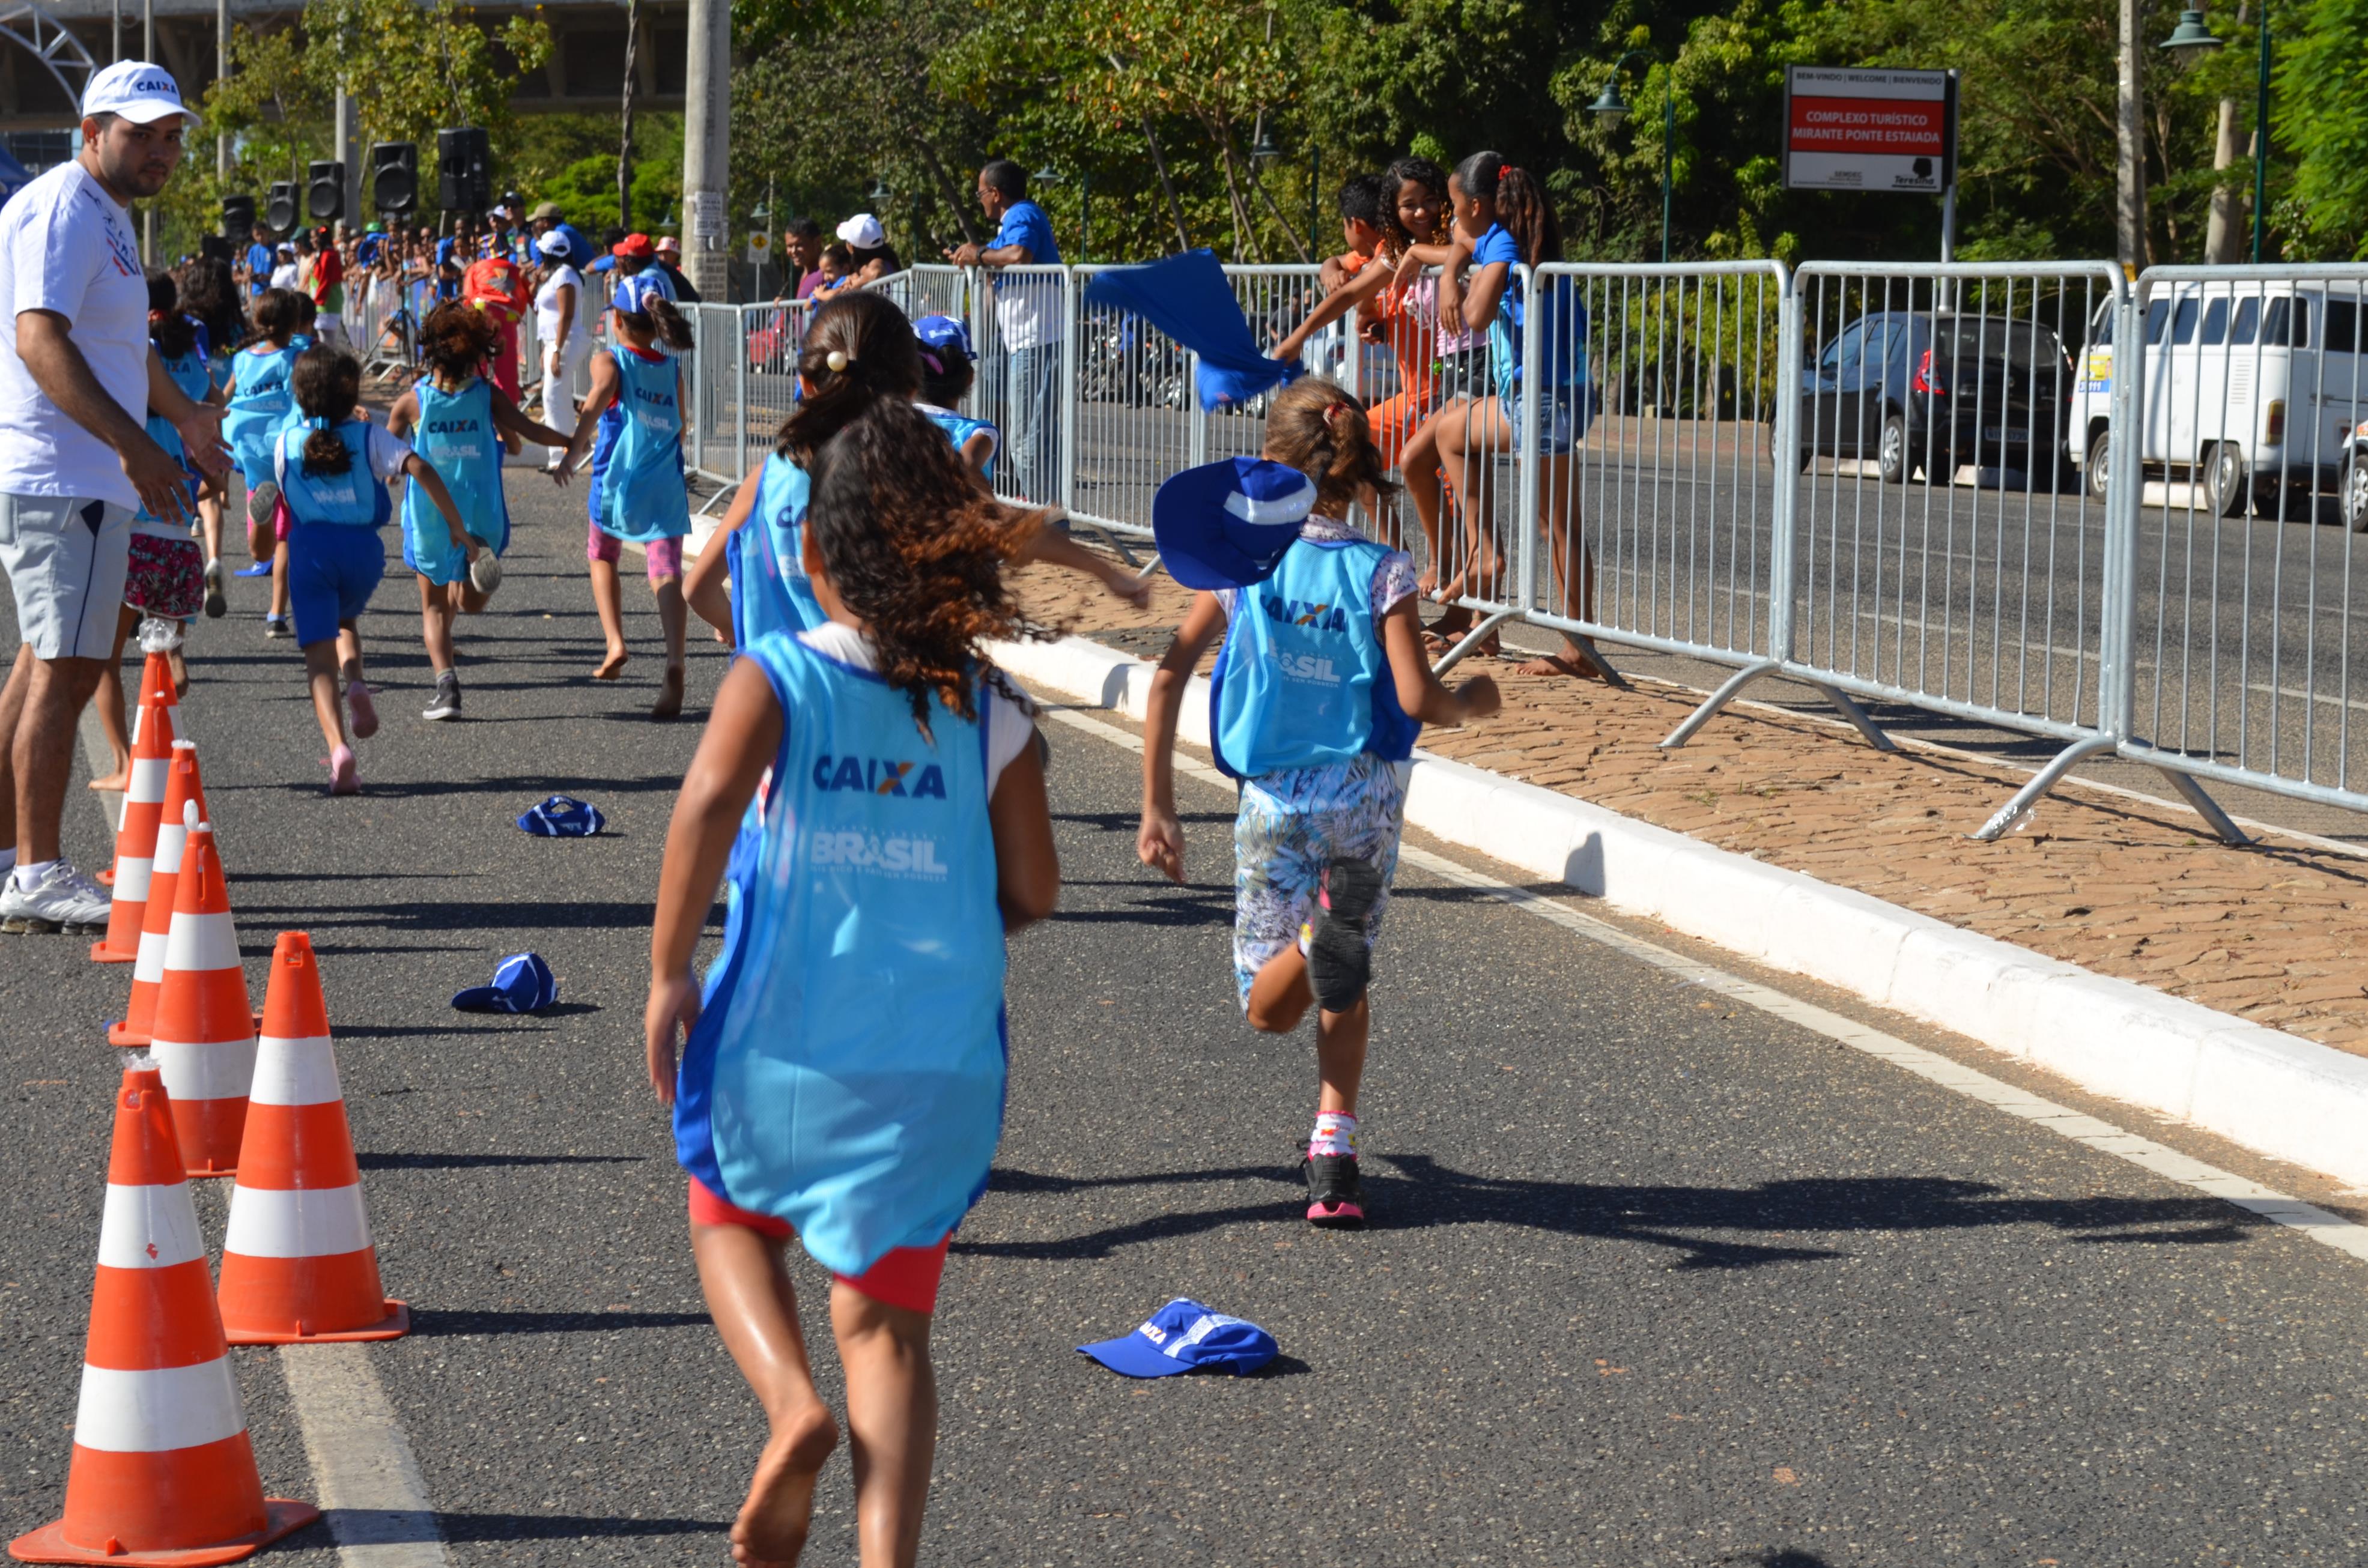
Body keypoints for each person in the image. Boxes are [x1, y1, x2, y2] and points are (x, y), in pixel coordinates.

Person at [644, 350, 1057, 1568]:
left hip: (784, 1030)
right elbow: (1032, 886)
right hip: (936, 1059)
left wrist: (671, 973)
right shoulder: (991, 706)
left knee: (726, 1212)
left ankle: (790, 1408)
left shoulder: (779, 674)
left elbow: (707, 807)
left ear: (813, 555)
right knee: (888, 1326)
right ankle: (887, 1558)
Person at [1136, 377, 1500, 1226]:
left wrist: (1158, 802)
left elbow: (1166, 674)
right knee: (1338, 973)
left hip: (1274, 803)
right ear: (1358, 468)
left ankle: (1332, 1141)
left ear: (1268, 461)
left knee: (1267, 1006)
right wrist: (1471, 702)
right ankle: (1332, 1143)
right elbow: (1416, 699)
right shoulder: (1384, 571)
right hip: (1365, 806)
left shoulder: (1240, 565)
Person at [0, 59, 226, 933]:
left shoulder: (105, 214)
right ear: (93, 131)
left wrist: (186, 418)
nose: (162, 151)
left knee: (40, 665)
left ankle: (14, 855)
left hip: (68, 474)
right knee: (67, 669)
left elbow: (121, 347)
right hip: (69, 474)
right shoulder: (66, 206)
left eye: (171, 136)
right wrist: (136, 448)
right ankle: (38, 870)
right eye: (142, 134)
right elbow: (39, 340)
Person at [277, 345, 474, 793]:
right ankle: (359, 684)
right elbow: (418, 465)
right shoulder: (369, 437)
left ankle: (339, 749)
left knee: (317, 654)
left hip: (310, 550)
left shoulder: (287, 440)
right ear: (352, 397)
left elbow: (280, 498)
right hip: (363, 554)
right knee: (345, 620)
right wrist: (455, 526)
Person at [1428, 151, 1592, 680]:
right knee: (1451, 432)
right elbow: (1461, 245)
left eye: (1455, 208)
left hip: (1546, 397)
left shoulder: (1502, 241)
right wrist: (1453, 267)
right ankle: (1487, 554)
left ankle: (1579, 648)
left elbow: (1475, 316)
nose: (1452, 220)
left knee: (1555, 524)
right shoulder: (1504, 233)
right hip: (1542, 394)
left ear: (1478, 205)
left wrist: (1461, 286)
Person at [384, 303, 574, 721]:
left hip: (432, 515)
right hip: (481, 511)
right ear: (477, 352)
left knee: (435, 607)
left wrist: (389, 478)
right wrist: (572, 442)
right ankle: (474, 569)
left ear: (430, 351)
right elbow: (529, 430)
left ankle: (447, 686)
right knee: (470, 603)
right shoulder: (487, 395)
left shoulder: (411, 402)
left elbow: (384, 455)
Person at [88, 270, 214, 790]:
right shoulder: (186, 371)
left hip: (131, 535)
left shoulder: (129, 376)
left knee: (103, 661)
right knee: (163, 652)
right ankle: (169, 672)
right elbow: (210, 405)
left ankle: (122, 760)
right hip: (181, 544)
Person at [560, 271, 694, 716]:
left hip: (618, 481)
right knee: (666, 570)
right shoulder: (672, 368)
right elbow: (683, 424)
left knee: (602, 553)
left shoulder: (611, 360)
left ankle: (615, 641)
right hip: (667, 483)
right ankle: (675, 660)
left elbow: (598, 398)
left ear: (616, 319)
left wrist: (572, 451)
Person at [946, 160, 1062, 504]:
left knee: (1027, 439)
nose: (980, 200)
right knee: (1028, 437)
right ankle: (1047, 515)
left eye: (981, 193)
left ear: (995, 193)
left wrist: (979, 254)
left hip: (1038, 339)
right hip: (1029, 340)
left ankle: (1046, 521)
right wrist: (976, 258)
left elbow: (1020, 255)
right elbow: (1004, 261)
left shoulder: (1022, 214)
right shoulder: (1012, 221)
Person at [222, 286, 302, 636]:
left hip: (251, 450)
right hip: (287, 449)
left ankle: (263, 514)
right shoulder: (296, 358)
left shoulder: (242, 359)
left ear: (257, 319)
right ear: (295, 323)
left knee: (260, 549)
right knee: (285, 541)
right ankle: (276, 613)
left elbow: (225, 396)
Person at [533, 229, 589, 461]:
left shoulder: (565, 275)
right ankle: (573, 447)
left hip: (566, 340)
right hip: (557, 341)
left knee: (553, 396)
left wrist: (555, 349)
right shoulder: (557, 275)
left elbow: (566, 315)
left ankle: (560, 455)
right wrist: (549, 348)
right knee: (560, 396)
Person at [460, 245, 529, 405]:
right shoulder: (514, 269)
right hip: (508, 314)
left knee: (478, 361)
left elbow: (468, 295)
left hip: (481, 309)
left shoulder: (476, 267)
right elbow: (522, 296)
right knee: (507, 364)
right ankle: (509, 408)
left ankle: (474, 402)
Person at [833, 214, 901, 288]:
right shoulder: (886, 258)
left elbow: (876, 272)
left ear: (851, 246)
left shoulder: (877, 262)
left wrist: (856, 284)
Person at [527, 202, 597, 273]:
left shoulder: (560, 234)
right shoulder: (563, 230)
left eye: (536, 221)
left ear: (545, 222)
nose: (535, 225)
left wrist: (538, 240)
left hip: (589, 280)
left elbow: (554, 261)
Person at [777, 217, 824, 301]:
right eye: (790, 246)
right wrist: (787, 307)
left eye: (800, 245)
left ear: (817, 242)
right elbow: (805, 311)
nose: (794, 251)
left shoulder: (827, 273)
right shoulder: (803, 274)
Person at [652, 235, 700, 304]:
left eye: (667, 253)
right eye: (660, 253)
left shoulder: (682, 271)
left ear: (677, 254)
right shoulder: (659, 272)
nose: (663, 256)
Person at [241, 221, 273, 298]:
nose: (260, 237)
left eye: (262, 234)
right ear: (253, 236)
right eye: (257, 235)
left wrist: (266, 277)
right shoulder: (253, 250)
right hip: (256, 292)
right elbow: (248, 270)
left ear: (267, 232)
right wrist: (250, 276)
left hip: (271, 292)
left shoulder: (276, 249)